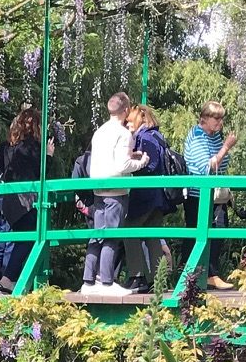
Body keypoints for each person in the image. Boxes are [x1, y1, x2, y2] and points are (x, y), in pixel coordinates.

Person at [73, 92, 146, 298]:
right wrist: (141, 162)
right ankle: (106, 282)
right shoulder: (123, 134)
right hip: (115, 190)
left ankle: (88, 280)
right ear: (125, 110)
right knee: (111, 236)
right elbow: (122, 164)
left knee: (98, 234)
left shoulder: (100, 131)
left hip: (98, 189)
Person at [183, 101, 238, 289]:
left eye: (221, 118)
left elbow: (220, 165)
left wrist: (222, 150)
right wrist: (226, 147)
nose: (219, 122)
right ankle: (196, 276)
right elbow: (206, 167)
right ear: (204, 118)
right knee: (199, 234)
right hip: (199, 195)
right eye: (216, 118)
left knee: (219, 230)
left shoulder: (214, 136)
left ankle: (210, 274)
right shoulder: (197, 136)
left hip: (216, 195)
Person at [123, 106, 178, 291]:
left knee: (129, 231)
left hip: (146, 195)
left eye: (130, 120)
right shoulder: (157, 136)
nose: (128, 123)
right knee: (151, 235)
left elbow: (151, 164)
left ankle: (137, 276)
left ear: (140, 118)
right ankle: (157, 279)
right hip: (158, 196)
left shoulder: (145, 137)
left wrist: (135, 159)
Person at [0, 107, 42, 294]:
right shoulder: (34, 147)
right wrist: (48, 156)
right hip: (24, 201)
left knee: (13, 241)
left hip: (8, 201)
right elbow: (40, 174)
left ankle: (2, 280)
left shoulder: (6, 146)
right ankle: (8, 279)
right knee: (30, 238)